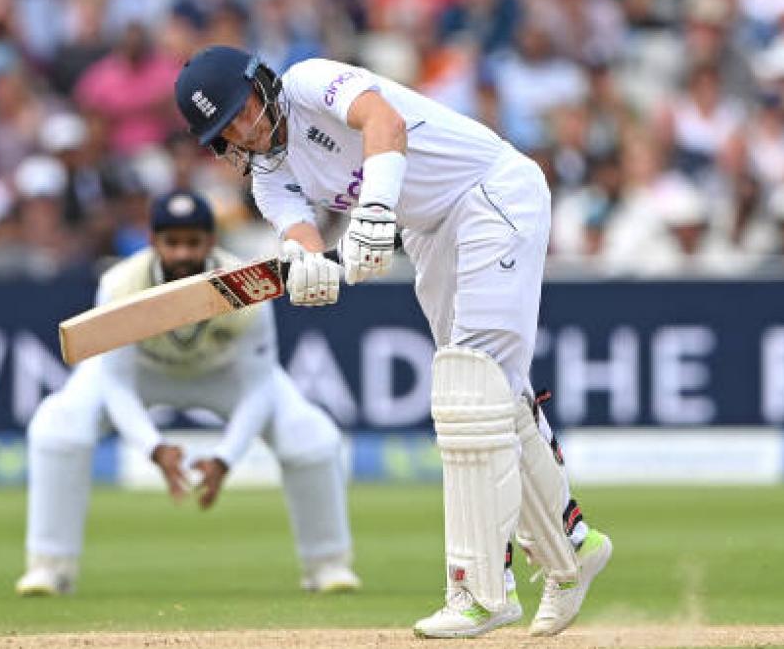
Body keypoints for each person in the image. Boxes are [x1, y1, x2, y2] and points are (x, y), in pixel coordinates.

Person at [173, 45, 611, 639]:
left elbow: (385, 122)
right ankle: (572, 549)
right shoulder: (270, 182)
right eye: (227, 132)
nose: (246, 132)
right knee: (490, 393)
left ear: (263, 84)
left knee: (471, 388)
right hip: (428, 230)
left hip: (491, 191)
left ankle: (481, 589)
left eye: (243, 110)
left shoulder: (307, 83)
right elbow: (299, 237)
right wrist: (308, 265)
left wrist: (372, 213)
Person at [15, 190, 360, 597]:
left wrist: (225, 459)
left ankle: (326, 566)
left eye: (192, 242)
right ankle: (50, 567)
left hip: (222, 372)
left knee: (313, 437)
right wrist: (155, 448)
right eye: (172, 242)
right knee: (57, 428)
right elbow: (116, 384)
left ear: (211, 242)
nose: (182, 254)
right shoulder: (121, 284)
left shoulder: (246, 285)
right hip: (143, 371)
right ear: (154, 242)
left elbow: (258, 387)